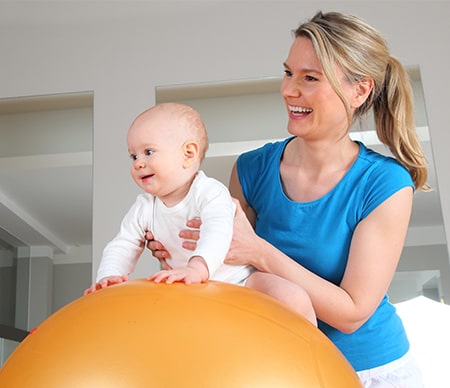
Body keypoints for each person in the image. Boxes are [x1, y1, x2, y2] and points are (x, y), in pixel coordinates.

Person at [147, 11, 428, 387]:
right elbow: (230, 276)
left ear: (359, 90)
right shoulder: (251, 170)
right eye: (288, 73)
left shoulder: (384, 183)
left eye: (310, 78)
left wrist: (258, 250)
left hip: (370, 371)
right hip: (280, 365)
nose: (289, 90)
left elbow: (352, 313)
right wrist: (178, 249)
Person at [85, 102, 317, 326]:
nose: (138, 163)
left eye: (148, 152)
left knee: (292, 297)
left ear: (188, 154)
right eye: (133, 156)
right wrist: (109, 277)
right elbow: (123, 243)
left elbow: (217, 231)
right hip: (192, 288)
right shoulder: (144, 206)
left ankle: (312, 355)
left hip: (241, 280)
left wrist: (197, 267)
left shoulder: (209, 192)